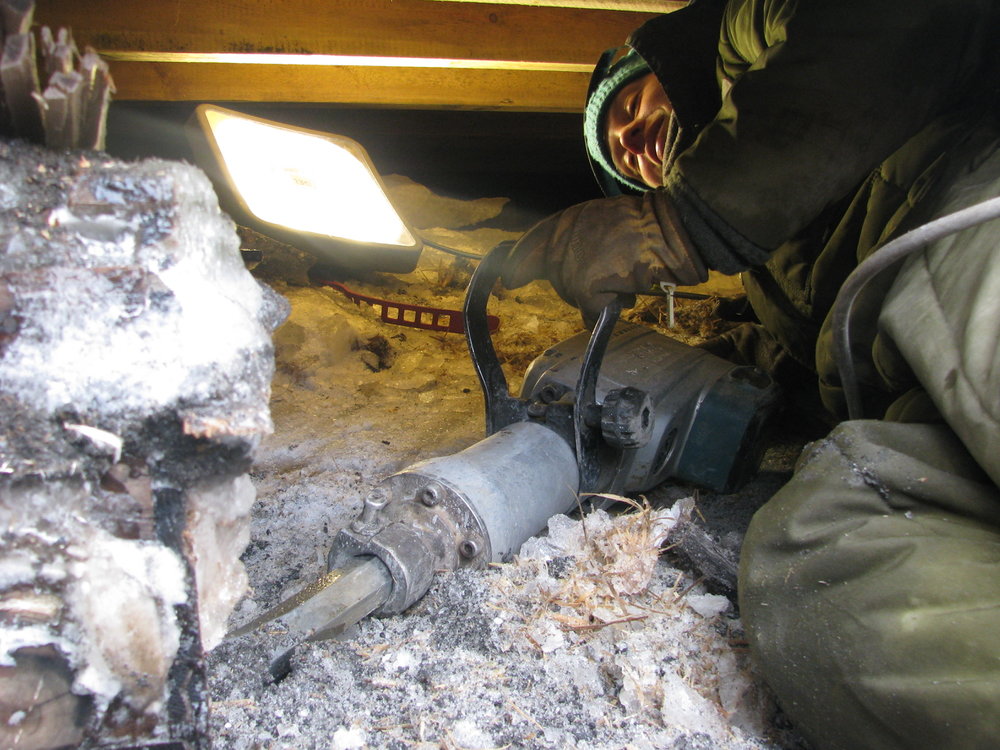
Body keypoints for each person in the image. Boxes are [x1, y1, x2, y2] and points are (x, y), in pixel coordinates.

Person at [499, 1, 1000, 748]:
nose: (633, 139)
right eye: (620, 157)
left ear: (666, 59)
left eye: (630, 106)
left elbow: (905, 20)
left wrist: (683, 222)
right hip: (912, 392)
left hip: (975, 231)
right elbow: (798, 359)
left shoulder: (750, 26)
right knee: (818, 572)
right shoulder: (771, 272)